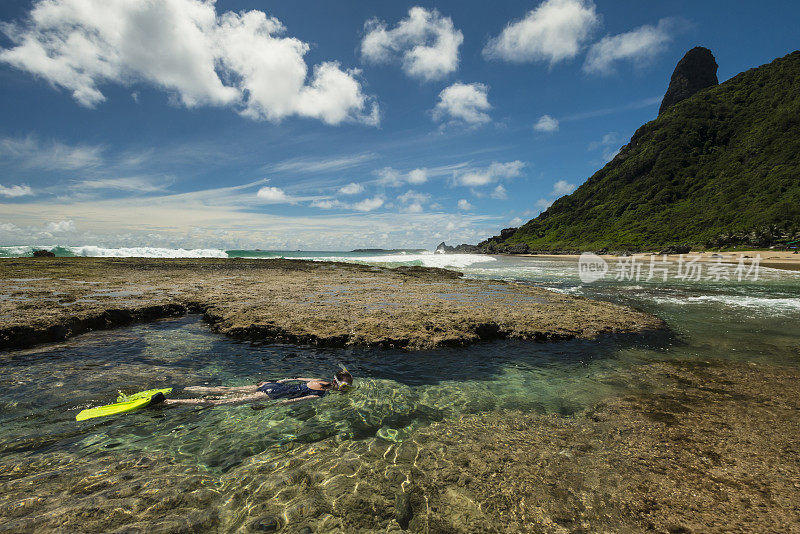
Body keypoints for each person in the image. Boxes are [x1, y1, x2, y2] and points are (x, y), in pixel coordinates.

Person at [162, 369, 353, 407]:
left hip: (274, 385)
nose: (343, 390)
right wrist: (269, 406)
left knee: (225, 390)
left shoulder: (318, 380)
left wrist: (277, 381)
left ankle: (185, 388)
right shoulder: (320, 395)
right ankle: (170, 401)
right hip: (274, 393)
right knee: (223, 402)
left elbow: (295, 378)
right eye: (344, 388)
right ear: (337, 384)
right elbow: (293, 401)